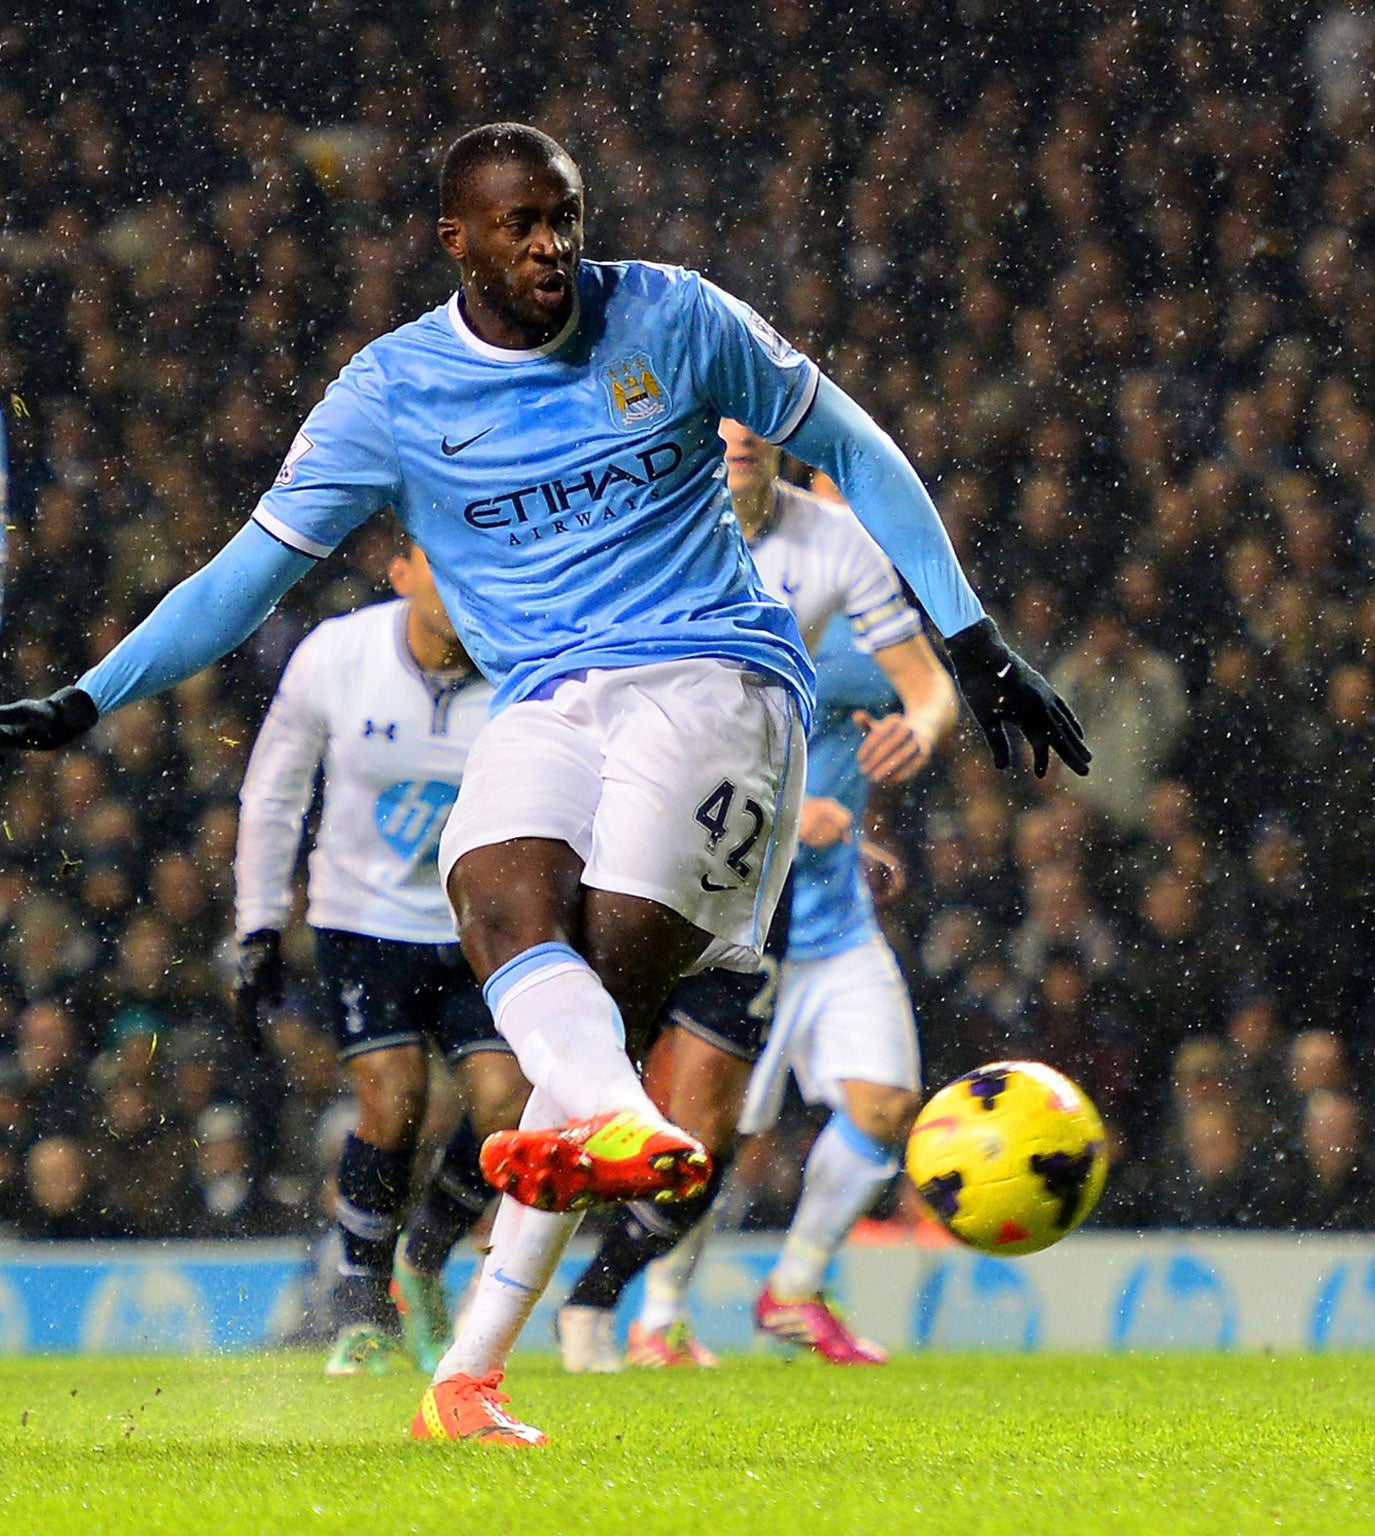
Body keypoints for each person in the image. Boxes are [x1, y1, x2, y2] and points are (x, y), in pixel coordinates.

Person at [0, 123, 1086, 1445]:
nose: (550, 245)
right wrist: (89, 699)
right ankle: (471, 1371)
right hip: (547, 696)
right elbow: (244, 578)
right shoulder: (393, 392)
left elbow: (857, 449)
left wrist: (971, 643)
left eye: (564, 217)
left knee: (605, 986)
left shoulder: (677, 318)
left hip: (716, 678)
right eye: (518, 224)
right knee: (496, 897)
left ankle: (524, 1273)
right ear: (452, 237)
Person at [555, 419, 956, 1370]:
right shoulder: (671, 543)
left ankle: (792, 1288)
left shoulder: (840, 580)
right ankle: (648, 1307)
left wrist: (918, 732)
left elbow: (925, 689)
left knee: (885, 1102)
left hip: (826, 913)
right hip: (718, 889)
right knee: (710, 1136)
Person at [232, 532, 525, 1374]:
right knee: (392, 1098)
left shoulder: (522, 666)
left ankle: (423, 1255)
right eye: (447, 563)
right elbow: (274, 791)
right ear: (401, 574)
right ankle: (361, 1307)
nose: (469, 580)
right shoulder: (337, 656)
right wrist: (257, 927)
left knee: (508, 1101)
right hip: (362, 920)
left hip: (479, 920)